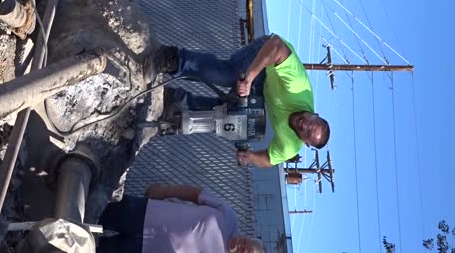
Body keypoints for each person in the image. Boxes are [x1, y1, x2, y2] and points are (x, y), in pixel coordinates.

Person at [143, 34, 330, 167]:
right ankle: (171, 59)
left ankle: (172, 103)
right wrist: (248, 78)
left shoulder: (291, 147)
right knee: (231, 75)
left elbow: (268, 160)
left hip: (265, 87)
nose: (304, 124)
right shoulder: (299, 88)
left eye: (307, 133)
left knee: (236, 119)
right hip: (267, 56)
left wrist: (249, 156)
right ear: (314, 114)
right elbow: (276, 46)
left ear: (305, 142)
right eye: (311, 122)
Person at [98, 185, 264, 253]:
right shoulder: (229, 216)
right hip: (145, 213)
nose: (244, 249)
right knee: (96, 207)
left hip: (142, 249)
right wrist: (164, 191)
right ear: (249, 239)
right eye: (249, 247)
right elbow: (195, 194)